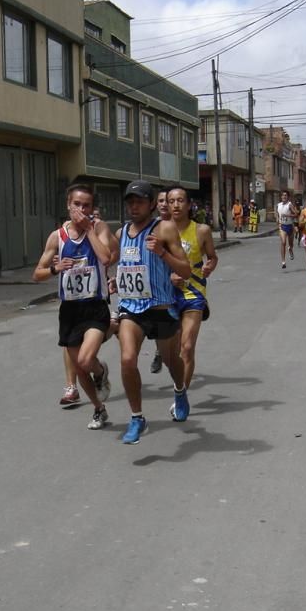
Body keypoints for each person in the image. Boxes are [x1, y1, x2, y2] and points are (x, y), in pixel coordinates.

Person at [114, 180, 192, 444]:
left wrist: (162, 253)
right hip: (131, 309)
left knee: (172, 361)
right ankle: (137, 417)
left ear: (150, 204)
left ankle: (180, 391)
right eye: (130, 201)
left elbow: (185, 270)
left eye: (139, 201)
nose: (133, 206)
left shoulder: (165, 228)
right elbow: (113, 261)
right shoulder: (121, 232)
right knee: (127, 359)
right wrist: (113, 280)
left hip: (160, 308)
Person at [34, 183, 116, 430]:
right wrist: (54, 269)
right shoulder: (56, 236)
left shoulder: (98, 227)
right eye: (77, 204)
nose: (82, 209)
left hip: (95, 306)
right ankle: (99, 409)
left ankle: (101, 372)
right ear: (68, 206)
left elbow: (105, 257)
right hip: (70, 310)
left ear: (92, 208)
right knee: (80, 370)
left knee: (85, 358)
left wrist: (89, 229)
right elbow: (37, 273)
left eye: (87, 205)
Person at [167, 186, 218, 398]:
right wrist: (169, 276)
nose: (176, 205)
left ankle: (181, 396)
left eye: (180, 200)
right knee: (171, 352)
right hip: (167, 295)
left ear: (189, 205)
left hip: (193, 294)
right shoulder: (159, 230)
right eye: (171, 201)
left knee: (187, 348)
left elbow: (212, 257)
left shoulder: (201, 231)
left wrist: (209, 266)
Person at [149, 186, 172, 375]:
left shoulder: (179, 225)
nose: (164, 204)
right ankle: (160, 351)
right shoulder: (150, 226)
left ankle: (176, 362)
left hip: (180, 282)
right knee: (160, 322)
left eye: (168, 200)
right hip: (158, 284)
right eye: (161, 201)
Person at [276, 189, 297, 268]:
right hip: (282, 226)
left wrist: (288, 215)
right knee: (283, 242)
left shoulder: (289, 205)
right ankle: (283, 262)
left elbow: (296, 214)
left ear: (288, 197)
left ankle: (290, 249)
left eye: (285, 195)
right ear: (281, 197)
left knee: (291, 244)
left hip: (290, 226)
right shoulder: (278, 205)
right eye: (283, 195)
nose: (284, 196)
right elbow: (277, 213)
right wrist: (277, 219)